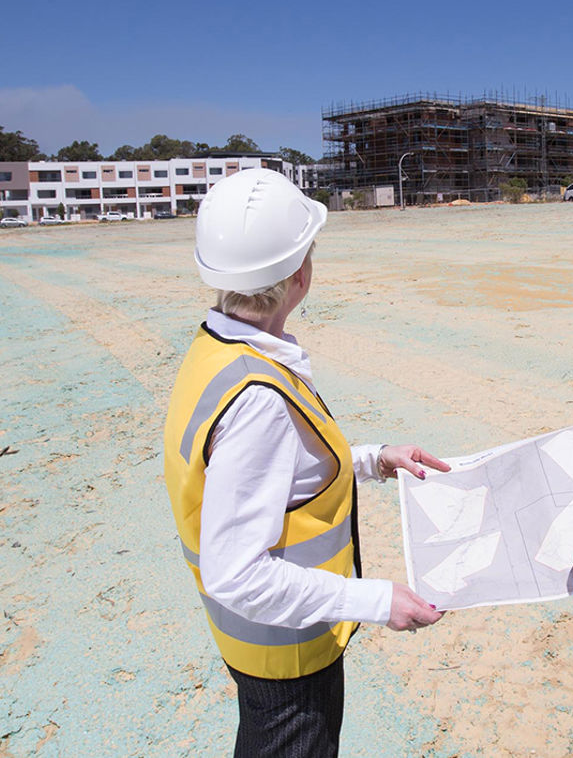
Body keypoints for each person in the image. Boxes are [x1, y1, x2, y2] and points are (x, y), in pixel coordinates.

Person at [162, 168, 450, 758]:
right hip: (287, 658)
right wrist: (376, 601)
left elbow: (280, 468)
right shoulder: (258, 400)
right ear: (299, 273)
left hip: (263, 646)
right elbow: (236, 573)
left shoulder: (218, 351)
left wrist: (372, 460)